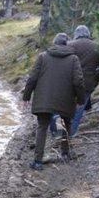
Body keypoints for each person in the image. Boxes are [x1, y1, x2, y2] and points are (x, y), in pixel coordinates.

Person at [22, 32, 85, 170]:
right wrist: (81, 99)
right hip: (65, 100)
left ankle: (37, 161)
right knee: (64, 124)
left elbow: (32, 78)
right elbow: (78, 81)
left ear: (54, 43)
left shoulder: (43, 56)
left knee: (42, 127)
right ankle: (65, 154)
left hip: (44, 99)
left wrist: (26, 96)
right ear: (66, 44)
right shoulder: (74, 59)